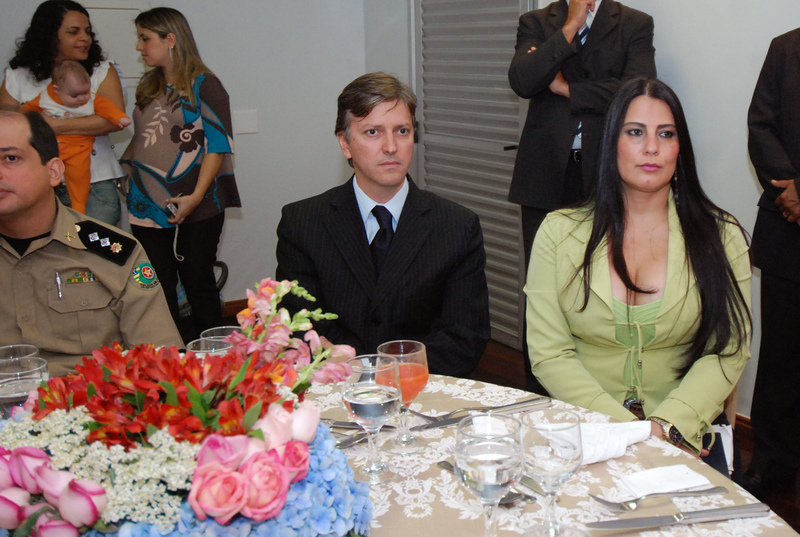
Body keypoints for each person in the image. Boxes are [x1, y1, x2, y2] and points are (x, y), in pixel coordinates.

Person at [525, 78, 751, 475]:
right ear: (611, 143)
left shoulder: (722, 236)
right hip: (585, 434)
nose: (651, 148)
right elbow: (549, 353)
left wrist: (668, 428)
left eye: (666, 134)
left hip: (685, 438)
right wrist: (630, 433)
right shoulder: (559, 232)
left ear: (680, 149)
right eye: (635, 132)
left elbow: (728, 350)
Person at [276, 72, 490, 378]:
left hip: (423, 389)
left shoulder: (456, 226)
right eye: (373, 132)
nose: (391, 147)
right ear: (345, 143)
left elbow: (464, 339)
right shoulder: (303, 223)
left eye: (402, 131)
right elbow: (299, 328)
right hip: (336, 388)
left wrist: (375, 371)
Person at [508, 0, 656, 393]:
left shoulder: (635, 24)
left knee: (601, 283)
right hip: (544, 176)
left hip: (606, 174)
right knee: (542, 288)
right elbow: (523, 80)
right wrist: (571, 25)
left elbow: (637, 94)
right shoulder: (537, 22)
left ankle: (598, 389)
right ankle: (538, 390)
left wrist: (566, 88)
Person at [0, 111, 182, 377]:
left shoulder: (113, 251)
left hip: (85, 396)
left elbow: (161, 362)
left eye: (10, 158)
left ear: (53, 171)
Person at [120, 7, 240, 343]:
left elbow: (218, 145)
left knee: (196, 279)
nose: (139, 47)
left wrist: (196, 197)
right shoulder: (150, 85)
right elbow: (145, 139)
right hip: (148, 200)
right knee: (157, 283)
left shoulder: (205, 85)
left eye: (145, 38)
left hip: (197, 198)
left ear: (170, 39)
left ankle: (212, 353)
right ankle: (171, 355)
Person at [0, 0, 126, 225]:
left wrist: (54, 125)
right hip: (35, 186)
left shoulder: (101, 71)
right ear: (49, 36)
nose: (85, 38)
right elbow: (5, 126)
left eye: (87, 31)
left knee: (93, 247)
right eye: (73, 32)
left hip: (94, 187)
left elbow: (113, 120)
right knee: (44, 247)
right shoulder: (18, 76)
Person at [742, 28, 800, 499]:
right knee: (781, 355)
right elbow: (760, 126)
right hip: (788, 229)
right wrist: (791, 193)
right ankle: (772, 462)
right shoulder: (786, 47)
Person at [22, 60, 131, 215]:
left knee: (79, 179)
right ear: (56, 89)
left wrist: (120, 118)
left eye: (85, 92)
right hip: (53, 148)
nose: (82, 98)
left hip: (79, 149)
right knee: (40, 174)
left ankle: (79, 209)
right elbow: (26, 111)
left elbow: (107, 108)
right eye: (75, 95)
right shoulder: (45, 98)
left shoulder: (91, 99)